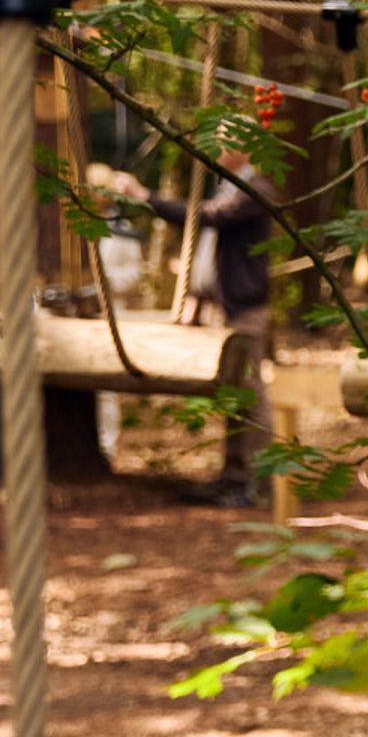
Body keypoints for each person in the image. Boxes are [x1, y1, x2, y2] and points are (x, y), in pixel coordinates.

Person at [98, 146, 277, 504]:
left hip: (244, 308)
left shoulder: (256, 189)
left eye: (224, 143)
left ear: (243, 148)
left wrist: (145, 196)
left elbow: (209, 218)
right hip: (219, 308)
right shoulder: (225, 187)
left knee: (251, 394)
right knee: (233, 394)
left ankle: (258, 484)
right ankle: (234, 476)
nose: (217, 150)